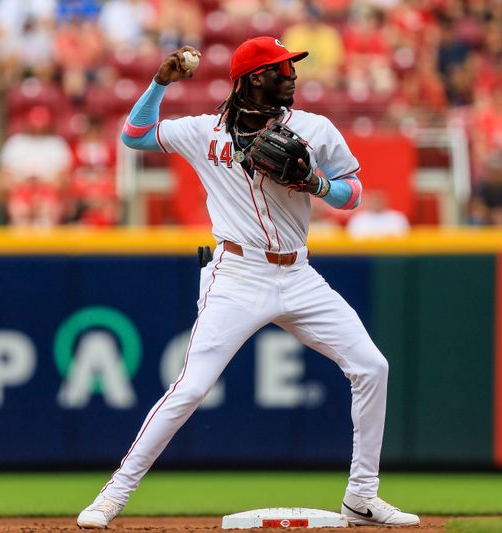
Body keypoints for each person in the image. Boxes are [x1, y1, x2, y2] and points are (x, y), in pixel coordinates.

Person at [76, 37, 420, 529]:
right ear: (255, 77)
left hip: (298, 273)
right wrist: (159, 83)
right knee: (191, 387)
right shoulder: (201, 131)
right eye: (283, 69)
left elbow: (354, 194)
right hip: (236, 274)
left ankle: (362, 496)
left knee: (371, 367)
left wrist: (317, 185)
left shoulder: (313, 128)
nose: (292, 76)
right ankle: (113, 495)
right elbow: (134, 136)